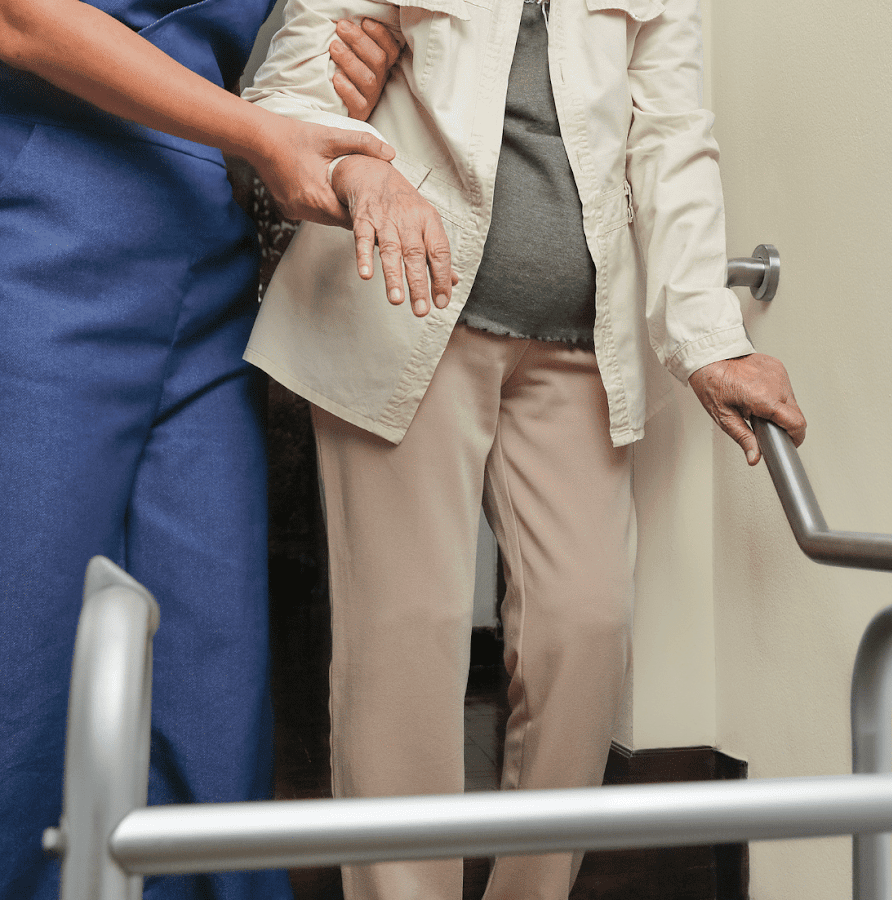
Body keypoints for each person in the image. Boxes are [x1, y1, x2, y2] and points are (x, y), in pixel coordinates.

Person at [242, 1, 807, 898]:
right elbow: (291, 88)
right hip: (402, 304)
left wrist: (711, 339)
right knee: (404, 647)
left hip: (581, 347)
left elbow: (672, 140)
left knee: (586, 630)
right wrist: (355, 169)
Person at [0, 4, 418, 899]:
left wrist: (349, 48)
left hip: (202, 250)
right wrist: (263, 134)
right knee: (20, 687)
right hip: (40, 230)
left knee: (215, 696)